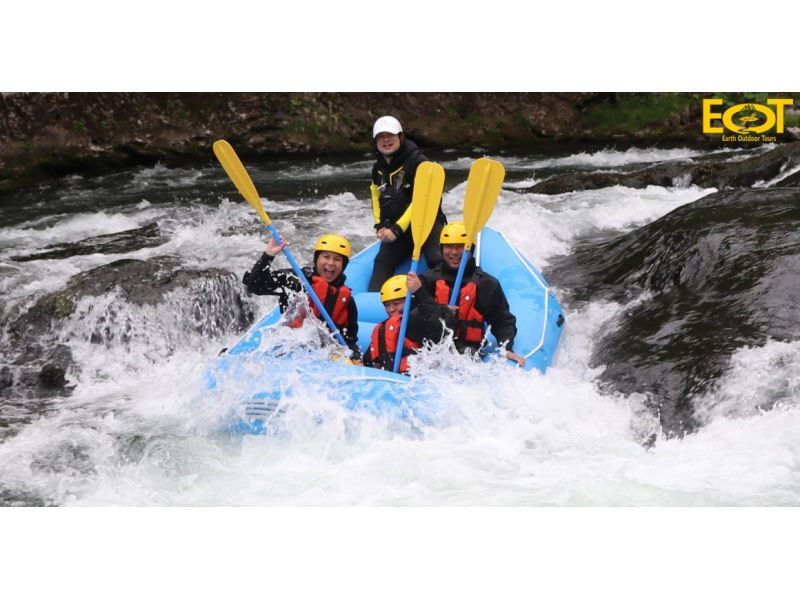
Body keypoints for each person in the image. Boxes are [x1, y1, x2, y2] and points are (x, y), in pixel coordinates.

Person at [419, 221, 526, 367]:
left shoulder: (486, 284)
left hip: (469, 352)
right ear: (442, 249)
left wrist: (506, 348)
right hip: (432, 350)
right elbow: (414, 315)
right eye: (449, 247)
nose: (454, 252)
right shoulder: (428, 280)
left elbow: (502, 320)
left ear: (471, 249)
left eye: (461, 247)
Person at [242, 233, 360, 358]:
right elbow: (253, 286)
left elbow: (350, 341)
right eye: (326, 257)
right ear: (317, 259)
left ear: (343, 265)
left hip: (324, 356)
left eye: (337, 259)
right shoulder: (296, 281)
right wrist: (268, 255)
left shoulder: (347, 301)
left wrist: (355, 357)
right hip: (289, 349)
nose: (330, 263)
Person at [368, 115, 446, 292]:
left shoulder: (419, 163)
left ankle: (440, 301)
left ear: (400, 137)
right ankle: (375, 304)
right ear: (376, 141)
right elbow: (375, 195)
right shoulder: (377, 168)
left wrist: (396, 229)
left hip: (426, 224)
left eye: (390, 135)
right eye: (381, 136)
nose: (386, 140)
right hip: (397, 228)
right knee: (382, 261)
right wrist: (380, 225)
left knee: (436, 258)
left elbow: (422, 200)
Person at [363, 272, 455, 374]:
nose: (391, 309)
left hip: (417, 378)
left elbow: (438, 329)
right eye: (387, 305)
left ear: (411, 301)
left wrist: (439, 308)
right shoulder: (383, 328)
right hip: (391, 379)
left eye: (396, 304)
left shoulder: (416, 319)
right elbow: (368, 359)